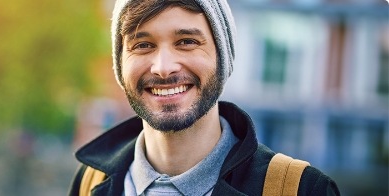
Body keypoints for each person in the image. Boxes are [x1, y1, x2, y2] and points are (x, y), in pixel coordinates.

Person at [69, 0, 340, 195]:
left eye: (186, 41)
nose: (163, 67)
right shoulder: (89, 183)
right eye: (143, 45)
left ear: (223, 58)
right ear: (120, 65)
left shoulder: (300, 189)